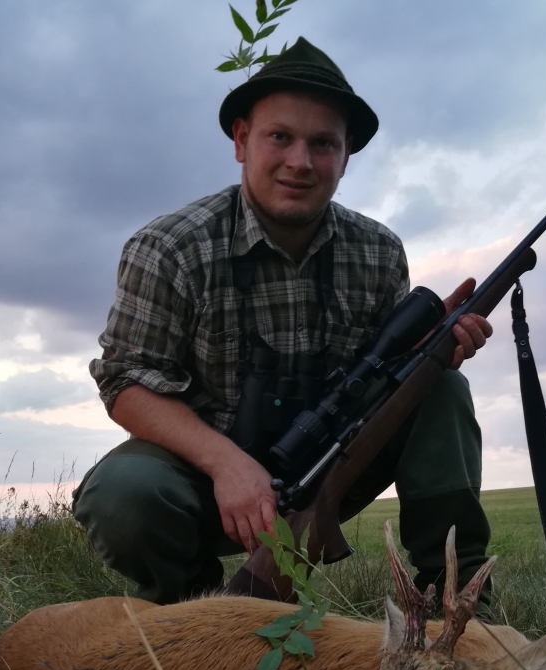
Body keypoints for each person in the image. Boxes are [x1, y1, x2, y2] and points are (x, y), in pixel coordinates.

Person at [73, 37, 495, 611]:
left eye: (323, 143)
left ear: (346, 155)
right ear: (241, 140)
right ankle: (190, 615)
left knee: (441, 387)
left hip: (331, 467)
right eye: (280, 137)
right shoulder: (169, 247)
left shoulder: (379, 251)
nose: (300, 162)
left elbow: (385, 380)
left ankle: (459, 604)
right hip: (208, 481)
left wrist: (430, 351)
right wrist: (227, 464)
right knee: (123, 494)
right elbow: (125, 382)